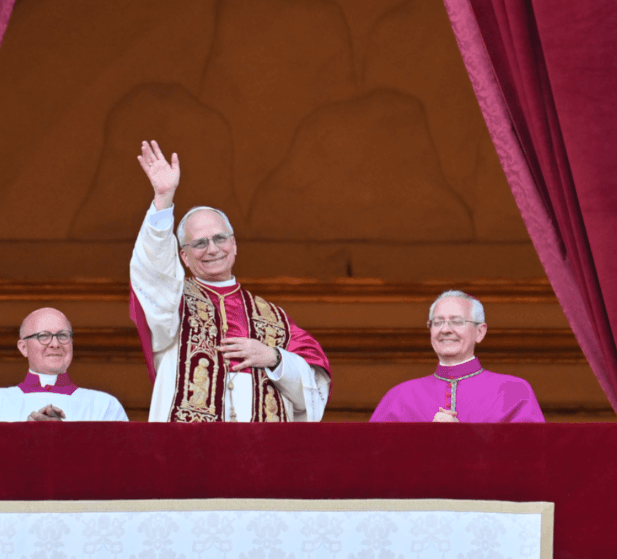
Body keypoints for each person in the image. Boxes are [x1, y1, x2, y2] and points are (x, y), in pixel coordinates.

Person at [130, 140, 332, 422]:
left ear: (234, 245)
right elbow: (153, 274)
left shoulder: (273, 316)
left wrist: (274, 357)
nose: (212, 249)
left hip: (260, 453)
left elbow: (314, 386)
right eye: (199, 243)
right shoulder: (172, 303)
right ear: (184, 257)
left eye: (220, 239)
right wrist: (163, 200)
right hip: (190, 450)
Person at [370, 290, 544, 423]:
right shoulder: (400, 396)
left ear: (480, 332)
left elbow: (530, 457)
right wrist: (422, 438)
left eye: (456, 321)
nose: (445, 330)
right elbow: (372, 457)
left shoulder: (514, 392)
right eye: (437, 322)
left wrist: (462, 437)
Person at [0, 307, 128, 422]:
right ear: (23, 347)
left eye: (63, 335)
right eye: (44, 336)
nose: (55, 344)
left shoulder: (104, 406)